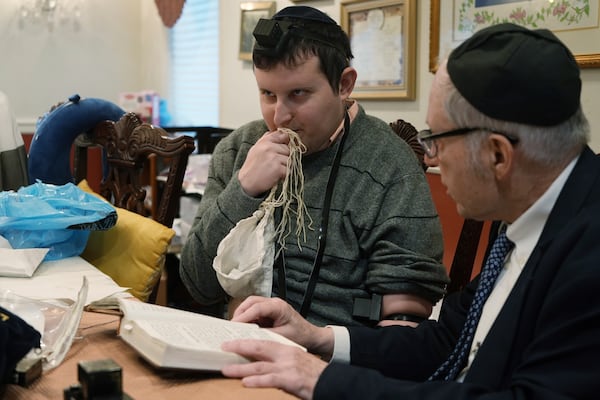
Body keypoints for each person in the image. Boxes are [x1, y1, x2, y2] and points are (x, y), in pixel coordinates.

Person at [218, 23, 600, 399]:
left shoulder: (588, 254)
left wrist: (323, 381)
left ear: (498, 155)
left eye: (435, 139)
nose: (429, 157)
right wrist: (317, 337)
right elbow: (445, 340)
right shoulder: (532, 217)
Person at [179, 6, 448, 327]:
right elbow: (198, 285)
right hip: (237, 348)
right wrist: (244, 189)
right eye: (268, 94)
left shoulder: (388, 164)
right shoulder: (238, 149)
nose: (279, 117)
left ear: (344, 84)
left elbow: (403, 325)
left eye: (298, 94)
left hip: (333, 361)